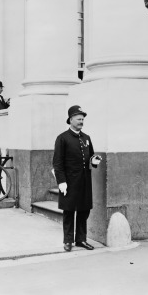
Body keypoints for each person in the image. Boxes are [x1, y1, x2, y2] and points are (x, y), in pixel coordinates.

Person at [52, 105, 102, 252]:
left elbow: (91, 156)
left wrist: (94, 161)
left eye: (82, 118)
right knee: (68, 212)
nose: (81, 121)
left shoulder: (86, 138)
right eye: (78, 118)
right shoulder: (62, 138)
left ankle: (81, 239)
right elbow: (57, 163)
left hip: (85, 181)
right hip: (69, 182)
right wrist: (61, 181)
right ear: (71, 119)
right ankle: (67, 241)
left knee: (84, 210)